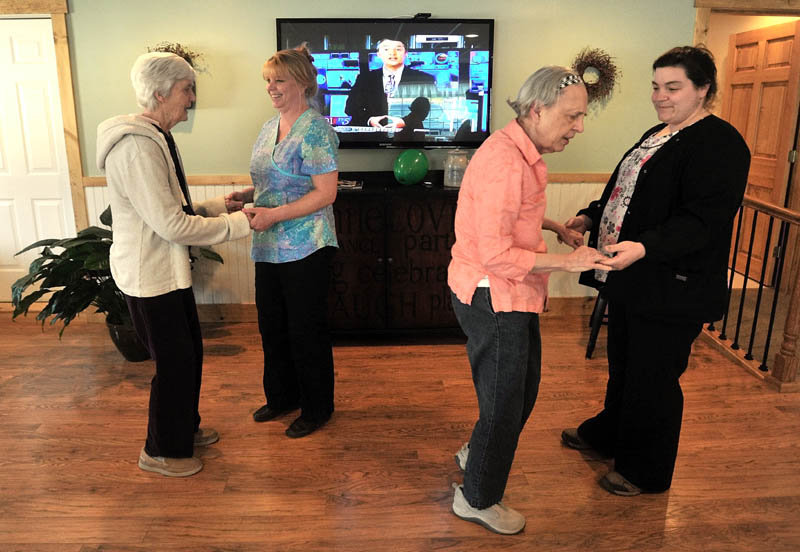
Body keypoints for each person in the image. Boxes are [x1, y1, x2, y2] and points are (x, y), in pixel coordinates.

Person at [560, 46, 750, 497]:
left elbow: (702, 220)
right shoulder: (661, 133)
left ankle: (646, 470)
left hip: (673, 287)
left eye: (673, 87)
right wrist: (590, 215)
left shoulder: (721, 144)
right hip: (633, 279)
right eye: (655, 86)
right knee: (624, 365)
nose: (660, 96)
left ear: (704, 89)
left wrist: (644, 245)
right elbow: (628, 191)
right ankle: (609, 435)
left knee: (655, 377)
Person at [447, 67, 610, 535]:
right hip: (492, 296)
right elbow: (495, 253)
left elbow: (506, 219)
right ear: (537, 111)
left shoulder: (521, 151)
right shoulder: (504, 161)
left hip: (509, 293)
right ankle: (476, 497)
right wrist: (567, 262)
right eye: (572, 116)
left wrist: (554, 226)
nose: (579, 127)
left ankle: (475, 455)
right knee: (505, 404)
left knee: (520, 393)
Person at [96, 52, 253, 477]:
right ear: (160, 92)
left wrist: (221, 205)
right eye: (187, 89)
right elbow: (171, 224)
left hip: (169, 271)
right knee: (174, 364)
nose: (192, 99)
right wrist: (237, 224)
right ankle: (161, 451)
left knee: (189, 355)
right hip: (150, 276)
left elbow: (172, 209)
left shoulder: (156, 137)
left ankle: (182, 428)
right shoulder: (135, 147)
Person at [225, 45, 339, 439]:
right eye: (267, 81)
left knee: (306, 330)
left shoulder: (316, 130)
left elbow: (325, 194)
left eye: (279, 80)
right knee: (272, 326)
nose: (271, 88)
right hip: (269, 245)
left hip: (307, 246)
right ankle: (282, 396)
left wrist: (272, 214)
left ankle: (317, 408)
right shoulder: (267, 127)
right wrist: (247, 197)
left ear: (303, 83)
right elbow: (271, 182)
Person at [344, 38, 436, 128]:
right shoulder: (364, 79)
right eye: (386, 49)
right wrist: (370, 120)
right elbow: (350, 108)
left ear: (406, 53)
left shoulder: (424, 79)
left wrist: (405, 122)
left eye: (398, 49)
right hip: (371, 138)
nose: (392, 53)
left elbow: (433, 110)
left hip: (409, 137)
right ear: (378, 54)